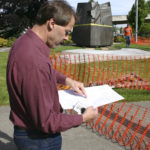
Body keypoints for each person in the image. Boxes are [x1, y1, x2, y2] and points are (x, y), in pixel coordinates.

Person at [6, 1, 98, 150]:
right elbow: (46, 121)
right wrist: (82, 118)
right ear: (52, 23)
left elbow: (45, 71)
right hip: (39, 139)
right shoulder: (34, 60)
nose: (67, 37)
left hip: (31, 134)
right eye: (67, 31)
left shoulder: (25, 43)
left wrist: (68, 80)